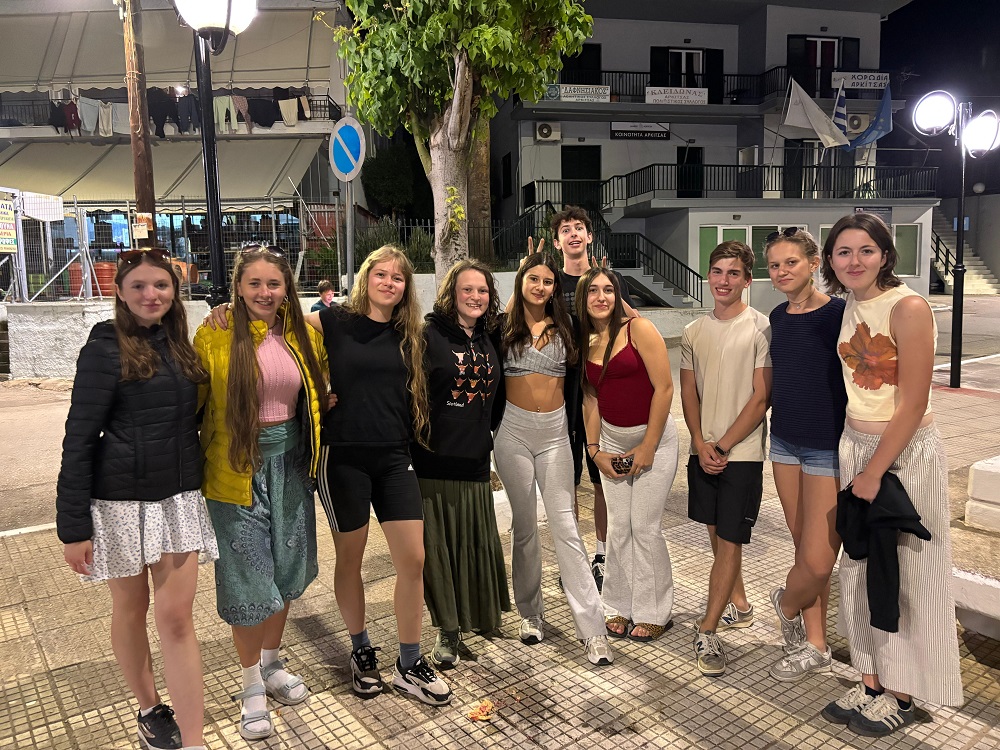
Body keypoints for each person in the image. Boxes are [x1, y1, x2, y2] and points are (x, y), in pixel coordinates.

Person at [56, 248, 217, 750]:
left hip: (178, 500)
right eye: (139, 286)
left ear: (175, 291)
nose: (152, 295)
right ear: (121, 293)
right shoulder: (104, 349)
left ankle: (194, 741)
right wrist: (73, 528)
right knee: (130, 609)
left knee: (177, 619)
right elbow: (78, 440)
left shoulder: (181, 344)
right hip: (120, 505)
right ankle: (150, 709)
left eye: (161, 285)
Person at [818, 213, 962, 736]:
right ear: (831, 260)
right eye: (843, 252)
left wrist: (875, 470)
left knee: (905, 575)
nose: (854, 261)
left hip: (902, 454)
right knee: (859, 568)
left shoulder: (909, 307)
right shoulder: (850, 304)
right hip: (856, 447)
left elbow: (914, 400)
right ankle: (872, 680)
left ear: (885, 254)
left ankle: (903, 694)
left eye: (866, 250)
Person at [195, 244, 328, 741]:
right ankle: (251, 682)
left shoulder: (302, 335)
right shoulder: (214, 334)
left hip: (292, 466)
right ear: (238, 286)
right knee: (248, 582)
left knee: (287, 570)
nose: (265, 292)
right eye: (254, 283)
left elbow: (321, 385)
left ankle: (272, 663)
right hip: (235, 472)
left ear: (287, 288)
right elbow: (191, 402)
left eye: (274, 283)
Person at [314, 246, 453, 705]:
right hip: (344, 458)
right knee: (350, 560)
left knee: (413, 559)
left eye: (398, 277)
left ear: (406, 287)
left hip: (394, 457)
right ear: (366, 277)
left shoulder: (410, 333)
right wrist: (313, 391)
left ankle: (409, 662)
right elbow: (278, 324)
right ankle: (361, 650)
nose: (389, 282)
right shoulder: (335, 320)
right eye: (381, 274)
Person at [493, 251, 614, 667]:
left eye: (547, 281)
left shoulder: (568, 326)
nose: (540, 286)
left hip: (555, 435)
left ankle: (593, 629)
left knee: (566, 526)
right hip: (512, 433)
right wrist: (522, 274)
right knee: (525, 527)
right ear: (521, 281)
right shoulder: (502, 326)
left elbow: (619, 318)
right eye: (533, 279)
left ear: (555, 287)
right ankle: (530, 614)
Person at [412, 260, 511, 668]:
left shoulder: (491, 336)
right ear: (451, 293)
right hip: (434, 462)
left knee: (474, 543)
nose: (475, 297)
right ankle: (447, 630)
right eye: (467, 289)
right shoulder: (427, 335)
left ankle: (478, 616)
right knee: (440, 551)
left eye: (482, 290)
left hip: (475, 459)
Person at [680, 240, 771, 678]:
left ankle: (708, 629)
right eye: (717, 271)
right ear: (708, 275)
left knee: (731, 539)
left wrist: (723, 446)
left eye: (734, 273)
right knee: (717, 535)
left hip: (742, 453)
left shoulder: (761, 328)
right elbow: (688, 392)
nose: (724, 280)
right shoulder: (694, 331)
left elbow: (761, 397)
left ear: (747, 280)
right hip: (704, 450)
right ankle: (741, 606)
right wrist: (700, 441)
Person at [763, 228, 847, 682]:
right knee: (804, 549)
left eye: (790, 262)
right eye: (774, 265)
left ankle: (787, 603)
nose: (781, 272)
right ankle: (816, 644)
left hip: (826, 448)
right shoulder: (777, 316)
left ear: (814, 263)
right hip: (784, 444)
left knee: (818, 561)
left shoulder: (838, 314)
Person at [578, 268, 677, 643]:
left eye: (609, 289)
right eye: (593, 290)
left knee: (644, 527)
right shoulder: (584, 340)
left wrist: (648, 446)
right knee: (619, 527)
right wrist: (595, 451)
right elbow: (590, 398)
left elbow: (664, 389)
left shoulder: (640, 330)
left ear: (619, 296)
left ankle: (655, 612)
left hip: (654, 441)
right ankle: (618, 604)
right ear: (583, 298)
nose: (601, 297)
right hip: (612, 443)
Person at [550, 205, 639, 593]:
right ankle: (573, 559)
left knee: (603, 477)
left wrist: (613, 291)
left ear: (589, 237)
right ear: (557, 242)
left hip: (599, 390)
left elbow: (634, 324)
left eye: (579, 228)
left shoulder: (608, 281)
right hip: (560, 391)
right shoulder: (551, 281)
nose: (572, 233)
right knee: (564, 481)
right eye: (565, 229)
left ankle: (603, 556)